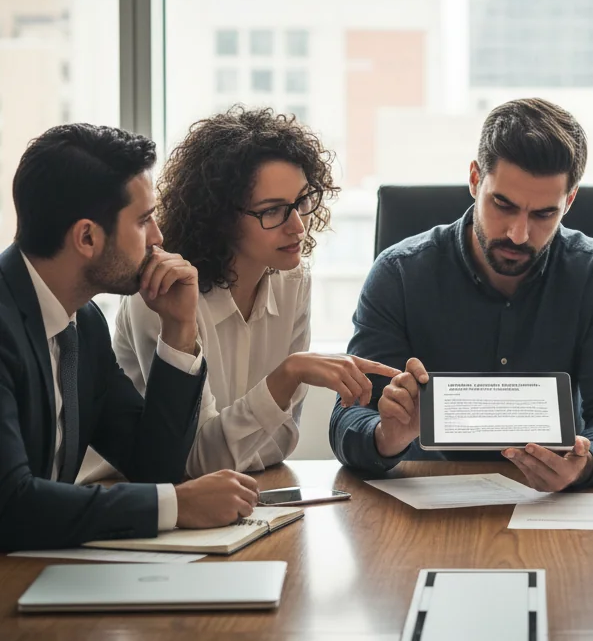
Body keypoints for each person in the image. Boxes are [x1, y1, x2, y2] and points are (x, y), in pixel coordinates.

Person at [330, 98, 593, 490]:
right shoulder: (399, 273)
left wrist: (586, 462)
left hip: (553, 506)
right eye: (503, 205)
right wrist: (384, 435)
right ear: (476, 179)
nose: (518, 233)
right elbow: (348, 416)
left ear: (570, 200)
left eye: (543, 214)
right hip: (424, 503)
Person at [0, 124, 261, 552]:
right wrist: (174, 505)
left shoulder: (82, 324)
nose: (158, 237)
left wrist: (179, 329)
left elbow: (151, 466)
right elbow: (11, 504)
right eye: (143, 221)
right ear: (87, 237)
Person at [114, 107, 398, 476]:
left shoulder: (293, 280)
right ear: (219, 216)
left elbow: (279, 443)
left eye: (302, 202)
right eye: (272, 211)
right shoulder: (161, 296)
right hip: (147, 508)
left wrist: (235, 439)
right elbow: (194, 463)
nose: (297, 226)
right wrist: (287, 375)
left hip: (254, 494)